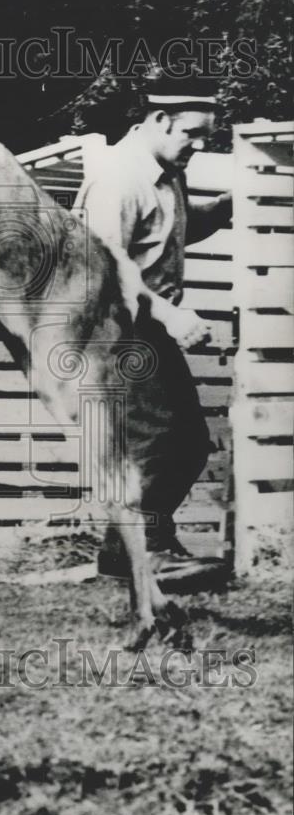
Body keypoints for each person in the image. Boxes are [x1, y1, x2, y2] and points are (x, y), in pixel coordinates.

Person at [75, 73, 232, 588]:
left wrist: (227, 206)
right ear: (159, 120)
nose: (200, 145)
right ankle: (152, 552)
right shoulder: (120, 176)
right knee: (158, 439)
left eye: (207, 135)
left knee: (187, 443)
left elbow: (168, 231)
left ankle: (125, 551)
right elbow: (108, 265)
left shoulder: (166, 172)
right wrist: (171, 315)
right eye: (193, 133)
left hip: (143, 326)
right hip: (112, 327)